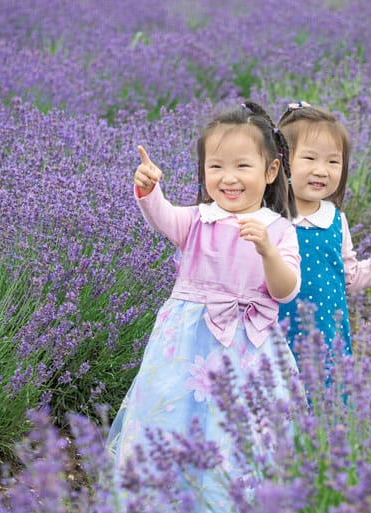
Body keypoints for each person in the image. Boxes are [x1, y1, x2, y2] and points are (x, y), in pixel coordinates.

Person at [107, 101, 301, 511]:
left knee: (238, 430)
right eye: (216, 167)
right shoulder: (196, 220)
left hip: (249, 352)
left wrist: (267, 251)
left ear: (271, 171)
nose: (228, 179)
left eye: (242, 167)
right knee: (170, 417)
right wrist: (148, 188)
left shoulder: (280, 230)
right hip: (185, 351)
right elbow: (161, 216)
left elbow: (285, 291)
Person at [277, 102, 371, 359]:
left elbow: (350, 278)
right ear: (281, 162)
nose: (321, 170)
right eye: (310, 158)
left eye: (333, 161)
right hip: (273, 341)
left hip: (326, 339)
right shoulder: (268, 217)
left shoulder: (335, 221)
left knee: (323, 396)